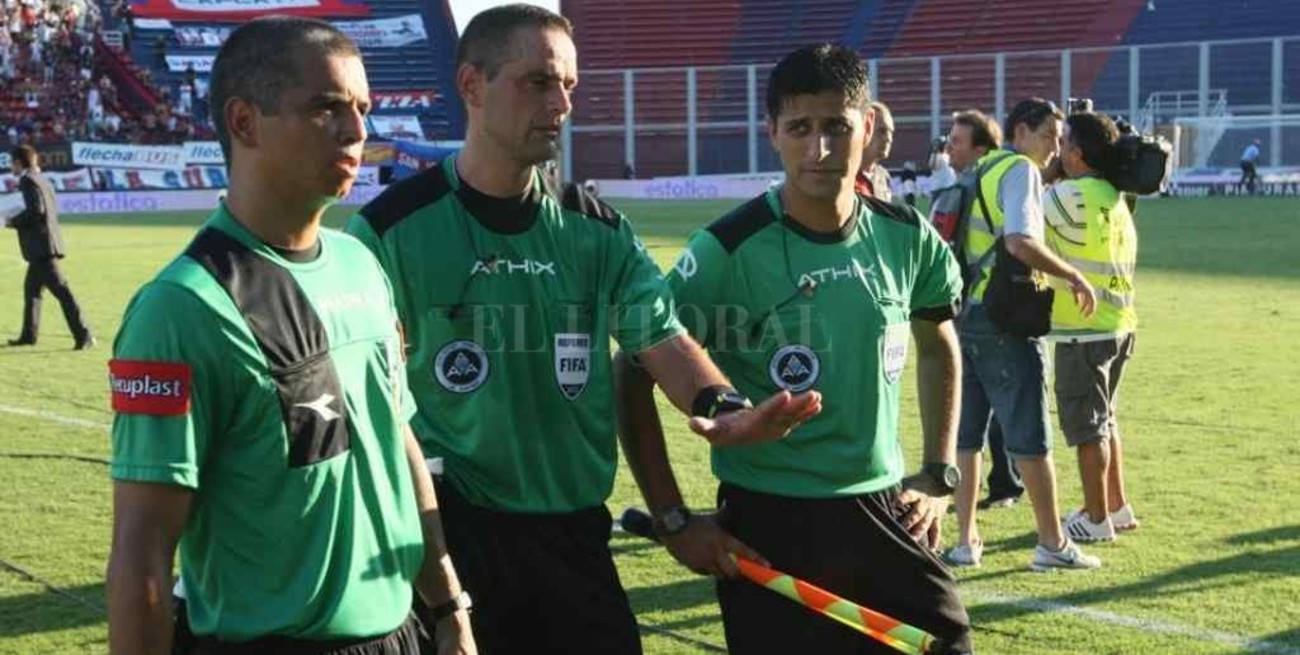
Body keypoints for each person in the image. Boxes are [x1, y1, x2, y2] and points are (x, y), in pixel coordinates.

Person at [345, 6, 820, 655]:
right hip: (450, 535)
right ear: (472, 86)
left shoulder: (597, 229)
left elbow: (663, 338)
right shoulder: (389, 230)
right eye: (538, 82)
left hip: (574, 535)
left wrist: (725, 407)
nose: (561, 103)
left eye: (568, 85)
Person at [105, 18, 476, 655]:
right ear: (244, 122)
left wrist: (449, 605)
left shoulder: (361, 263)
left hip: (401, 632)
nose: (356, 131)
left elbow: (397, 439)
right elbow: (142, 554)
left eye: (362, 109)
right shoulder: (181, 309)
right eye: (325, 108)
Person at [616, 44, 972, 655]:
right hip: (767, 524)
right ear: (772, 133)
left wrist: (939, 471)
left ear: (867, 126)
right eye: (800, 128)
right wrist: (672, 519)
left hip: (884, 508)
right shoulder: (726, 250)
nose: (820, 148)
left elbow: (938, 343)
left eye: (837, 126)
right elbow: (632, 369)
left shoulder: (907, 236)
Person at [946, 98, 1102, 571]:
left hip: (964, 315)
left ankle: (966, 541)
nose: (1055, 146)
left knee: (967, 436)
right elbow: (1019, 241)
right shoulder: (1019, 170)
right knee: (1030, 435)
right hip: (1004, 319)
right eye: (1048, 135)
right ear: (1020, 132)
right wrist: (1072, 275)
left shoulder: (980, 170)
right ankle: (1052, 542)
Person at [1044, 111, 1140, 542]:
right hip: (1120, 324)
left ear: (1077, 153)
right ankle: (1116, 506)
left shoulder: (1069, 196)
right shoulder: (1114, 195)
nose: (1057, 149)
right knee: (1106, 421)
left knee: (1088, 429)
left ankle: (1096, 518)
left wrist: (1046, 174)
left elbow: (1020, 213)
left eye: (1062, 142)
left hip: (1083, 329)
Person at [937, 110, 1023, 509]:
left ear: (980, 149)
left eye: (957, 141)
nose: (949, 147)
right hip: (968, 310)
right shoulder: (963, 187)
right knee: (977, 410)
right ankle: (994, 487)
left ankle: (1003, 484)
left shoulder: (985, 188)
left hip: (983, 310)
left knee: (991, 408)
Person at [5, 144, 93, 349]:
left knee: (62, 292)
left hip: (41, 248)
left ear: (18, 162)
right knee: (32, 292)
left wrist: (12, 221)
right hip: (45, 245)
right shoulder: (42, 179)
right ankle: (29, 335)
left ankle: (84, 334)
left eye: (12, 163)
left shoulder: (27, 180)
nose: (11, 167)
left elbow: (36, 211)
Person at [855, 100, 893, 201]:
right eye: (881, 131)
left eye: (891, 132)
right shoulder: (845, 175)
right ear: (865, 130)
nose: (888, 139)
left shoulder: (883, 177)